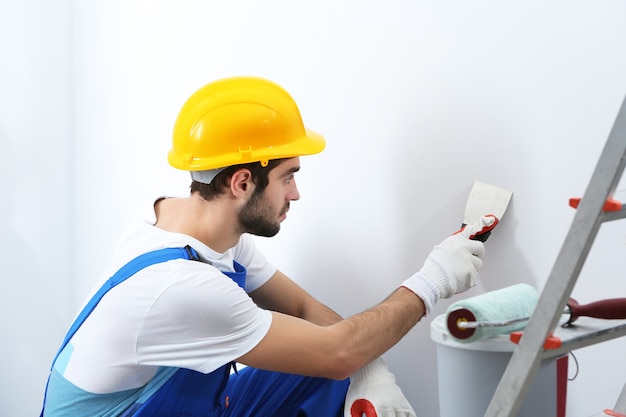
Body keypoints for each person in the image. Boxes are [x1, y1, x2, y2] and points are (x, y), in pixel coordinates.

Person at [40, 76, 497, 417]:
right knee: (331, 362)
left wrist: (368, 373)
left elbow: (300, 306)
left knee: (320, 370)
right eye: (288, 176)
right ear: (241, 182)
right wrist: (433, 280)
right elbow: (336, 351)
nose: (295, 194)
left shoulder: (188, 226)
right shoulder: (180, 287)